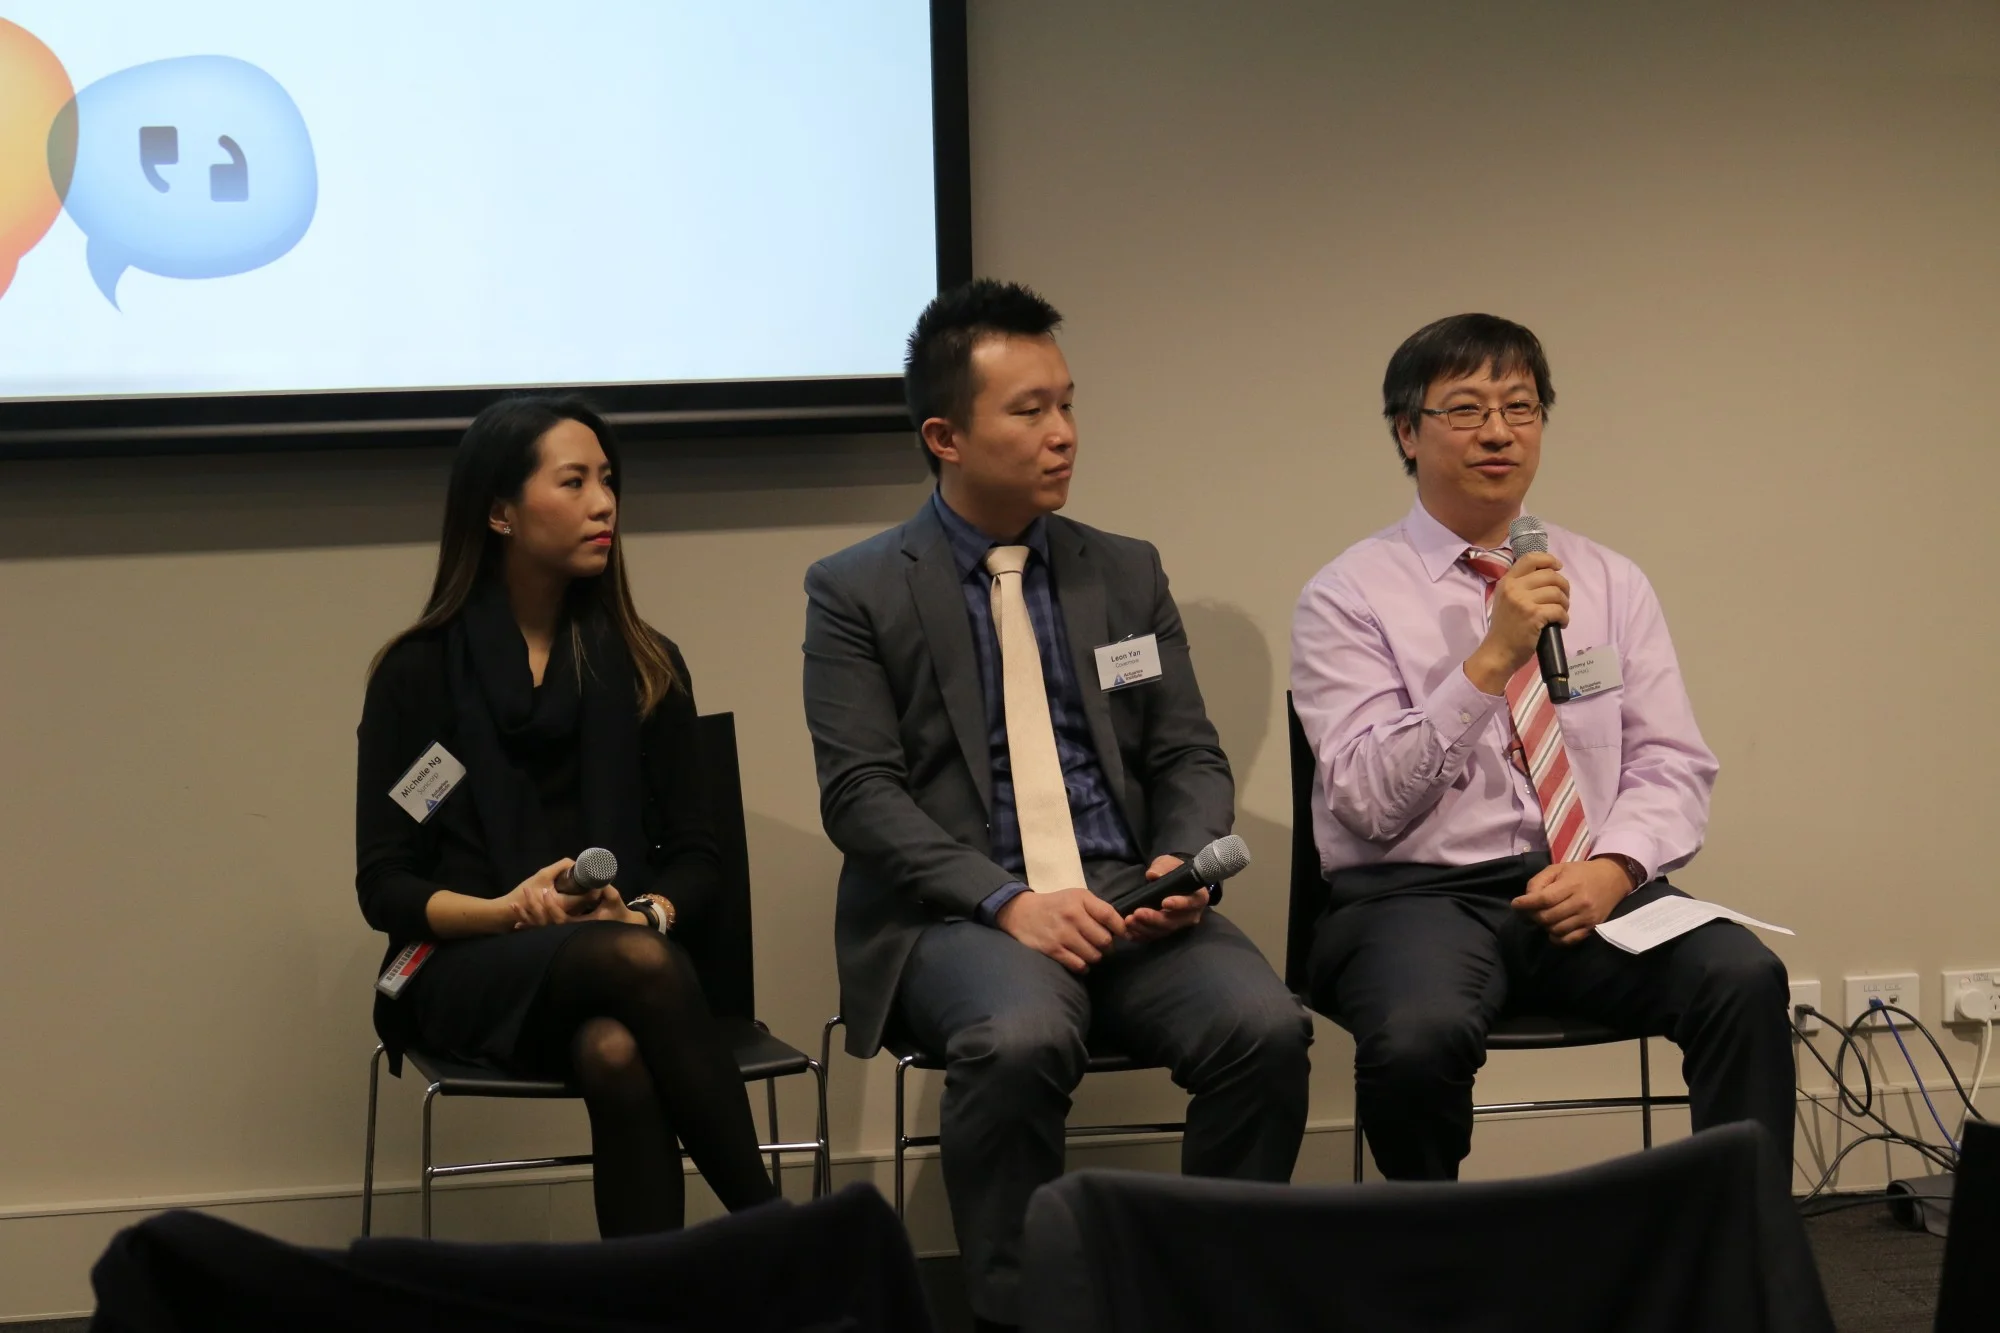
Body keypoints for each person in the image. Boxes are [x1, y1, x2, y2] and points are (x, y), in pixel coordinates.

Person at [803, 280, 1312, 1332]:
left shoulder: (1121, 571)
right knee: (1022, 1037)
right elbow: (860, 795)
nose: (1063, 432)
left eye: (1068, 404)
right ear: (945, 436)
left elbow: (1185, 750)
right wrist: (1006, 902)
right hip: (963, 911)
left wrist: (1180, 860)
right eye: (1029, 410)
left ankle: (1207, 1297)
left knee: (1264, 1029)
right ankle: (1021, 1313)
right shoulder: (857, 589)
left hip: (1127, 889)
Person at [1290, 313, 1792, 1183]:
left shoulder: (1609, 579)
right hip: (1417, 897)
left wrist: (1615, 868)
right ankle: (1436, 1252)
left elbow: (1671, 761)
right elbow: (1366, 798)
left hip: (1585, 882)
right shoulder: (1348, 595)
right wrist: (1492, 659)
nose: (1498, 431)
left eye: (1520, 407)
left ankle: (1746, 1240)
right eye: (1466, 409)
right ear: (1407, 432)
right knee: (1416, 1038)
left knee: (1742, 976)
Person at [355, 396, 778, 1235]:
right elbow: (385, 885)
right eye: (575, 481)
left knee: (615, 1049)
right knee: (636, 965)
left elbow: (699, 855)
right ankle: (785, 1239)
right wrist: (508, 910)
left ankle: (649, 1292)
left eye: (609, 481)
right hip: (462, 961)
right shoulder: (417, 674)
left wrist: (646, 912)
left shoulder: (648, 664)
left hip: (615, 958)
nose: (604, 503)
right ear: (500, 512)